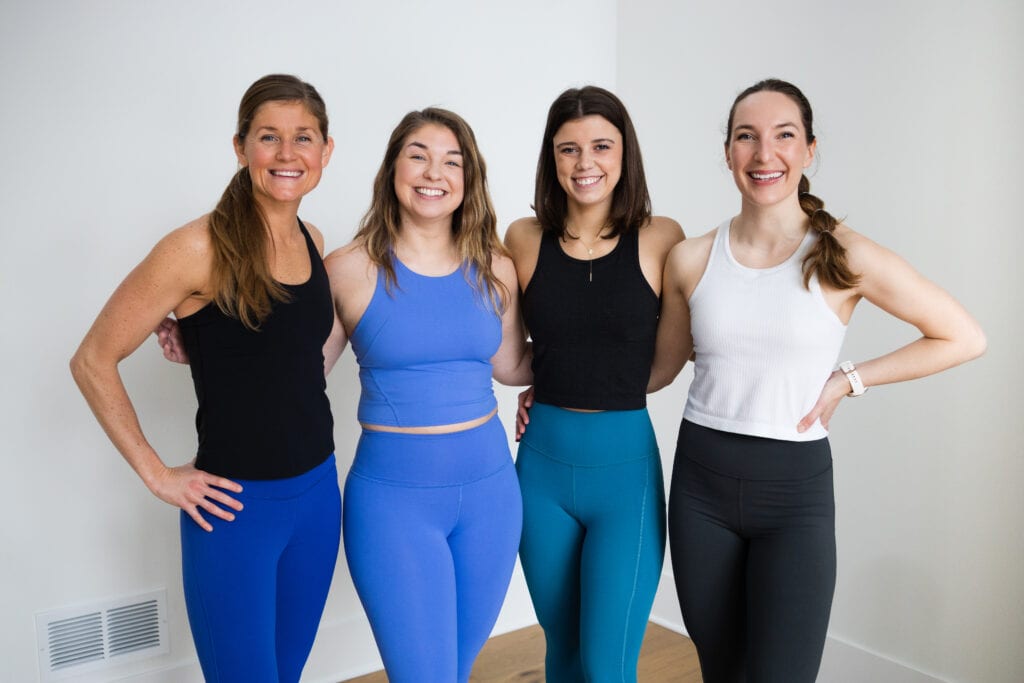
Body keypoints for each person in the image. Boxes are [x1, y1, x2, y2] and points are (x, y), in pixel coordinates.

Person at [647, 78, 987, 682]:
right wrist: (556, 381)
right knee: (722, 672)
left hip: (794, 496)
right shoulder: (692, 257)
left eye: (783, 136)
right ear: (727, 151)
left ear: (809, 150)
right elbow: (658, 370)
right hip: (701, 487)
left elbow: (963, 336)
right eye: (746, 137)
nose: (763, 154)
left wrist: (849, 380)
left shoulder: (841, 256)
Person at [70, 74, 340, 682]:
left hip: (319, 499)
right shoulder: (196, 248)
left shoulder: (314, 240)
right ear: (241, 147)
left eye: (304, 138)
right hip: (234, 513)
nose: (287, 154)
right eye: (269, 137)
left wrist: (213, 349)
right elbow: (92, 359)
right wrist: (158, 474)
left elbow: (288, 355)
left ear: (327, 151)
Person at [324, 108, 531, 682]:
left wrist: (588, 366)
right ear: (393, 168)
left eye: (451, 160)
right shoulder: (347, 270)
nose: (432, 172)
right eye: (417, 155)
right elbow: (294, 372)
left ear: (469, 179)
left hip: (491, 497)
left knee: (454, 672)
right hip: (394, 505)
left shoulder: (497, 269)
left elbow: (512, 363)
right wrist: (206, 342)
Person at [505, 86, 684, 682]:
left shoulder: (662, 237)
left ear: (624, 152)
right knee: (564, 652)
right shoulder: (522, 238)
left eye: (601, 146)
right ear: (550, 159)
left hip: (624, 470)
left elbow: (663, 363)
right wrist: (551, 382)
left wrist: (603, 382)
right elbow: (517, 355)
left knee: (609, 666)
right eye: (569, 149)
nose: (585, 164)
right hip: (541, 471)